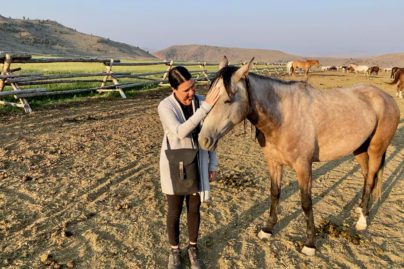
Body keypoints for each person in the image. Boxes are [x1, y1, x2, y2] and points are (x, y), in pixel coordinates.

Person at [158, 66, 220, 269]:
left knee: (194, 208)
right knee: (174, 210)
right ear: (173, 89)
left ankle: (193, 247)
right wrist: (205, 109)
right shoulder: (165, 107)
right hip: (175, 162)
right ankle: (174, 250)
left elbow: (211, 136)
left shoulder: (201, 102)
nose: (191, 92)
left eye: (193, 87)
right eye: (186, 90)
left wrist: (212, 164)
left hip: (198, 162)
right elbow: (180, 131)